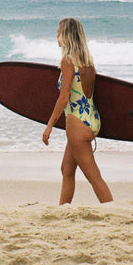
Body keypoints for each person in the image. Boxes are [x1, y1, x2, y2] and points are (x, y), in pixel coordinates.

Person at [42, 18, 113, 204]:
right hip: (91, 119)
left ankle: (113, 211)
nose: (56, 35)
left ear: (66, 35)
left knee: (93, 176)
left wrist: (49, 125)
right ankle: (63, 210)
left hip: (77, 124)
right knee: (67, 169)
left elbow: (64, 97)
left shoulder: (67, 61)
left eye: (58, 31)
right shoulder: (88, 62)